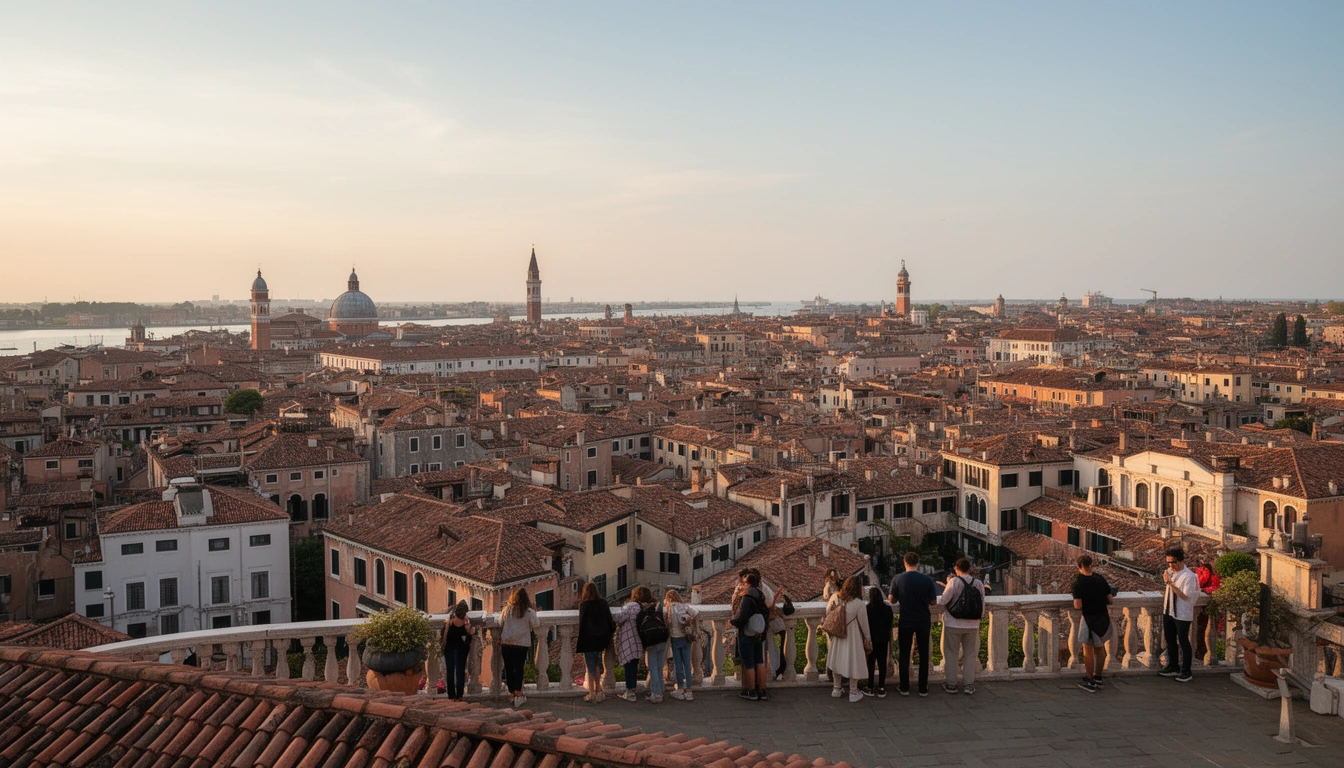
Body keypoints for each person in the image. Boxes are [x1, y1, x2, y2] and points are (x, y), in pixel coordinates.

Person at [889, 551, 936, 696]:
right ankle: (923, 687)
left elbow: (891, 599)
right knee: (923, 654)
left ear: (905, 563)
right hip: (923, 620)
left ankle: (904, 687)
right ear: (918, 563)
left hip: (906, 620)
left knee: (904, 653)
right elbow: (933, 602)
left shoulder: (898, 579)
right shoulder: (927, 580)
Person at [937, 557, 986, 695]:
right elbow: (982, 603)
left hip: (953, 623)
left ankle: (951, 685)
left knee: (951, 653)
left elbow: (943, 601)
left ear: (956, 569)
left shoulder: (954, 582)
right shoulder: (978, 583)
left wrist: (947, 584)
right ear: (969, 569)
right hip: (972, 624)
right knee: (970, 654)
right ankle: (968, 685)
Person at [1070, 555, 1114, 693]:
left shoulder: (1078, 583)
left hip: (1089, 619)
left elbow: (1077, 605)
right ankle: (1098, 677)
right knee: (1100, 649)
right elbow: (1111, 600)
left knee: (1088, 651)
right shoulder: (1100, 579)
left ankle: (1090, 681)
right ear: (1091, 565)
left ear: (1080, 567)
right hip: (1103, 617)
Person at [825, 576, 872, 703]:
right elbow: (864, 623)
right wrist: (868, 638)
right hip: (852, 634)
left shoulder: (836, 597)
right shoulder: (859, 603)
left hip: (838, 633)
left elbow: (828, 613)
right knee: (853, 661)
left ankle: (836, 688)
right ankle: (853, 691)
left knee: (836, 659)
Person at [1159, 547, 1200, 683]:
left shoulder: (1189, 576)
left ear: (1181, 560)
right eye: (1168, 563)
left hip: (1182, 613)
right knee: (1170, 639)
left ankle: (1186, 671)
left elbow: (1185, 595)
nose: (1171, 565)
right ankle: (1173, 666)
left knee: (1183, 641)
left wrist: (1170, 583)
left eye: (1173, 562)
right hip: (1169, 610)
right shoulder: (1171, 572)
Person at [731, 570, 771, 701]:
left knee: (749, 663)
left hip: (747, 633)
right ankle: (763, 691)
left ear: (747, 583)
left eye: (743, 582)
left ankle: (752, 691)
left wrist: (733, 622)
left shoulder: (747, 597)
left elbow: (742, 616)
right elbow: (766, 612)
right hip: (759, 632)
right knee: (760, 661)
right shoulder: (760, 595)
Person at [497, 588, 539, 708]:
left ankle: (512, 694)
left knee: (509, 669)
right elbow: (536, 624)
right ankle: (518, 694)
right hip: (521, 644)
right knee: (519, 669)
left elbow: (500, 622)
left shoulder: (507, 610)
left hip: (507, 643)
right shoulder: (529, 611)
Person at [575, 582, 614, 703]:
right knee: (596, 663)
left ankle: (592, 692)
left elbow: (582, 624)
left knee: (591, 665)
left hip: (588, 639)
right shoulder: (603, 603)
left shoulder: (584, 605)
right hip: (601, 638)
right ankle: (598, 690)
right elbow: (609, 620)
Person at [665, 589, 699, 700]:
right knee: (687, 664)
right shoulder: (685, 607)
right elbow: (696, 614)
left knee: (678, 664)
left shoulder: (670, 608)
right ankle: (689, 690)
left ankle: (680, 688)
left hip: (675, 638)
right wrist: (696, 631)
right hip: (686, 638)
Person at [862, 581, 893, 697]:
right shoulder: (887, 609)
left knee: (871, 662)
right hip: (883, 639)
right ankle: (881, 687)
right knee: (882, 663)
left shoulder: (867, 609)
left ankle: (870, 686)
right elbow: (890, 624)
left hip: (872, 639)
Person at [614, 588, 645, 701]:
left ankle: (629, 692)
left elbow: (618, 618)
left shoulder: (630, 606)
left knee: (628, 666)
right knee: (634, 667)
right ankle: (633, 690)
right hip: (638, 640)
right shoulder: (642, 608)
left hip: (628, 639)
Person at [441, 600, 473, 700]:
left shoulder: (450, 619)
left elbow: (444, 632)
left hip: (449, 648)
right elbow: (467, 638)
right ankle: (459, 695)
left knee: (450, 672)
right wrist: (471, 631)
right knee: (460, 672)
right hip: (461, 649)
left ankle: (451, 695)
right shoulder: (465, 621)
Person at [1194, 561, 1220, 658]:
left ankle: (1203, 653)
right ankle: (1200, 653)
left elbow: (1215, 588)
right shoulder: (1207, 574)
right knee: (1200, 631)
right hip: (1200, 611)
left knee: (1204, 631)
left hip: (1207, 610)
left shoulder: (1213, 577)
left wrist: (1204, 590)